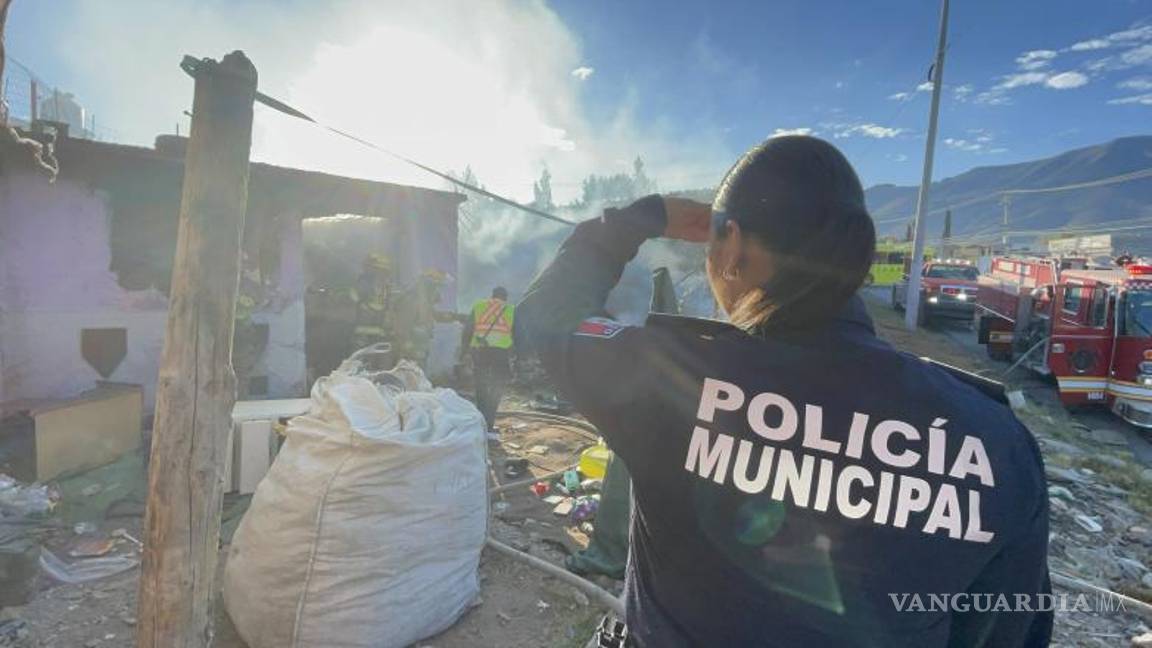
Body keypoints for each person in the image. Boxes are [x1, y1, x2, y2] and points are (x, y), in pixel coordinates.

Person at [518, 136, 1051, 647]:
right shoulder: (997, 443)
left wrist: (638, 219)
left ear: (732, 247)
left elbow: (546, 316)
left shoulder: (671, 379)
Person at [462, 286, 516, 434]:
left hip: (479, 352)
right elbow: (518, 334)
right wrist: (518, 356)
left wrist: (463, 352)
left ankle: (481, 423)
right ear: (505, 298)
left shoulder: (479, 306)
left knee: (481, 387)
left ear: (492, 296)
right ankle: (489, 423)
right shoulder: (511, 309)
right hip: (500, 354)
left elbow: (467, 330)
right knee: (496, 388)